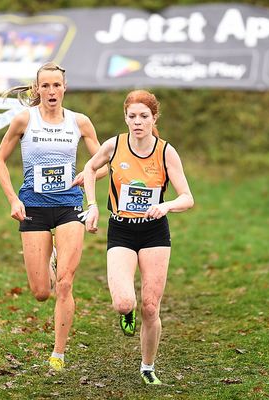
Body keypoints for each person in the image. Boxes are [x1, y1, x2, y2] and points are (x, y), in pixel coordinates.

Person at [0, 62, 106, 372]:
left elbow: (104, 161)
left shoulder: (80, 122)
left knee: (66, 285)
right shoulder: (23, 121)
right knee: (41, 292)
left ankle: (58, 353)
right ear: (37, 89)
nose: (52, 91)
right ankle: (50, 260)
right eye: (46, 86)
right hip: (33, 208)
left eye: (57, 85)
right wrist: (13, 199)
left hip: (70, 205)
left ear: (64, 88)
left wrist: (87, 173)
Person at [82, 89, 194, 385]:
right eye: (132, 116)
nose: (137, 122)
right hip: (121, 229)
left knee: (151, 306)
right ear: (126, 117)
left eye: (144, 116)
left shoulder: (166, 151)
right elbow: (90, 168)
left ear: (154, 118)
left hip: (155, 231)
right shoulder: (114, 145)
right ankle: (125, 312)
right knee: (123, 303)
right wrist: (92, 205)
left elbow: (187, 198)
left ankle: (147, 367)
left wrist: (165, 205)